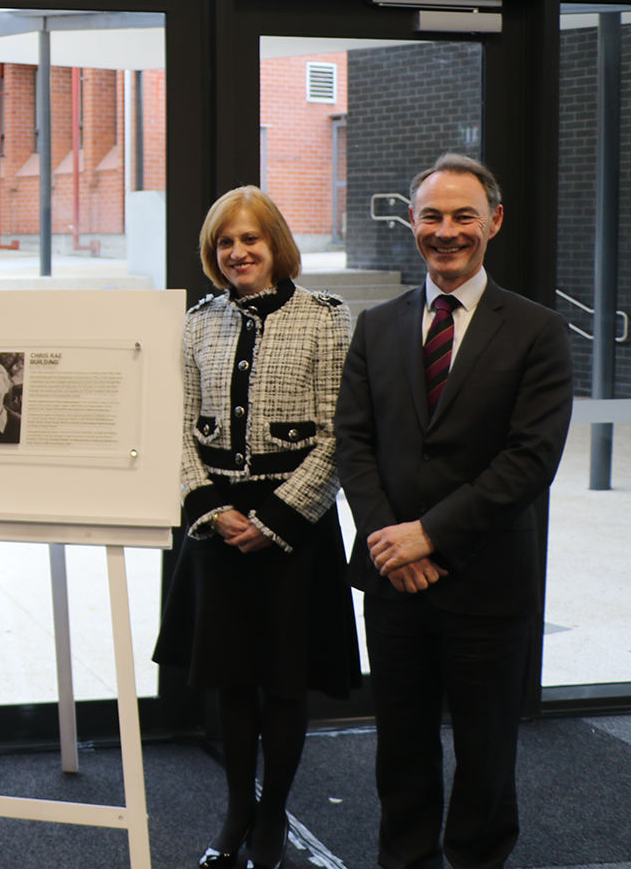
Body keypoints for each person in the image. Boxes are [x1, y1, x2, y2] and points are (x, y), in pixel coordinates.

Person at [335, 154, 572, 869]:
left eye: (463, 216)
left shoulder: (537, 331)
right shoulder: (376, 326)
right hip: (393, 585)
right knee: (400, 748)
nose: (447, 231)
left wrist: (429, 537)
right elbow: (353, 442)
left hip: (487, 582)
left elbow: (530, 461)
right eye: (431, 216)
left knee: (486, 754)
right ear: (413, 223)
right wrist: (389, 542)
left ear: (493, 222)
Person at [153, 185, 360, 869]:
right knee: (231, 681)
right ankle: (237, 810)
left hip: (292, 532)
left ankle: (273, 819)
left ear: (276, 246)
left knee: (284, 681)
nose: (238, 252)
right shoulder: (197, 322)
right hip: (220, 530)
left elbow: (340, 435)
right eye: (225, 243)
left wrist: (273, 519)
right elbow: (180, 427)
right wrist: (213, 508)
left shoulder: (327, 319)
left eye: (251, 240)